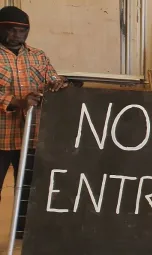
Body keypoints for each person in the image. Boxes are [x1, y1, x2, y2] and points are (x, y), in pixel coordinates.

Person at [0, 6, 68, 239]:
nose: (17, 35)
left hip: (31, 136)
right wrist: (18, 102)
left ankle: (22, 234)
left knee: (28, 188)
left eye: (23, 31)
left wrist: (58, 84)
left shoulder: (38, 56)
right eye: (11, 30)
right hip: (1, 136)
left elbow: (54, 78)